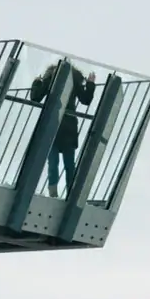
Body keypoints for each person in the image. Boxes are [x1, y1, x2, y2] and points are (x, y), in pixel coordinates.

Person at [29, 61, 96, 197]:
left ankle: (55, 192)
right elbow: (86, 100)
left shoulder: (52, 78)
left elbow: (35, 97)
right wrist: (90, 84)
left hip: (53, 125)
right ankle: (69, 194)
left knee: (56, 163)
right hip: (68, 127)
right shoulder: (73, 79)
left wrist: (37, 82)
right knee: (67, 164)